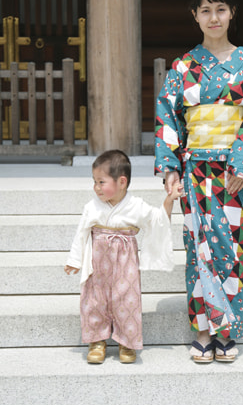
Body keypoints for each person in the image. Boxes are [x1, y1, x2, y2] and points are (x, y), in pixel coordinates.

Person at [155, 0, 243, 363]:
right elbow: (168, 118)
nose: (213, 17)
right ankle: (203, 330)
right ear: (195, 15)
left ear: (231, 13)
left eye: (220, 9)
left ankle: (227, 331)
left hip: (235, 172)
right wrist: (170, 167)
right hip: (196, 173)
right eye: (205, 10)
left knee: (234, 251)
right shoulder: (182, 67)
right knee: (199, 250)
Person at [65, 149, 182, 364]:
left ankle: (127, 342)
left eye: (101, 182)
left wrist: (169, 200)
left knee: (126, 298)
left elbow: (157, 220)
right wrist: (75, 260)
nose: (96, 188)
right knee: (94, 299)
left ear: (121, 181)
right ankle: (97, 341)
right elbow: (81, 232)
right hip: (97, 259)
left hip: (125, 258)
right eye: (94, 182)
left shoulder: (135, 205)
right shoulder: (91, 207)